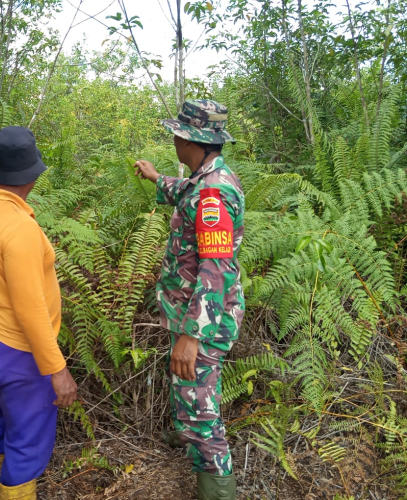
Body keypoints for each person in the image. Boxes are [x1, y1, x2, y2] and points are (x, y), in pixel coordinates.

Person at [133, 100, 245, 500]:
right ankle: (185, 428)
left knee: (202, 418)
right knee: (191, 398)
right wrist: (155, 178)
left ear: (190, 139)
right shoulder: (206, 179)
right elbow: (186, 192)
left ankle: (217, 488)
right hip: (194, 315)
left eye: (177, 134)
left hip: (204, 320)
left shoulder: (213, 192)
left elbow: (216, 268)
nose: (174, 139)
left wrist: (193, 335)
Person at [0, 126, 78, 500]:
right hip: (18, 351)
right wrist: (57, 370)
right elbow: (30, 309)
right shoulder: (19, 228)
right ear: (31, 175)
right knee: (26, 444)